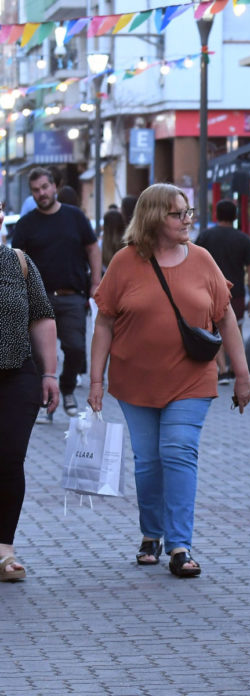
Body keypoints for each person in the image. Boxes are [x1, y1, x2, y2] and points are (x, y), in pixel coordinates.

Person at [87, 183, 250, 578]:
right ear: (153, 218)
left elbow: (226, 317)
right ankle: (152, 533)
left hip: (190, 379)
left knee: (178, 452)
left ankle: (180, 544)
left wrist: (243, 375)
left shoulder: (203, 260)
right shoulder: (125, 262)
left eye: (188, 212)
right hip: (135, 380)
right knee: (148, 461)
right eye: (177, 214)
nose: (186, 220)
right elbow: (104, 323)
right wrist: (95, 381)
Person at [12, 167, 101, 422]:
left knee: (76, 349)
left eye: (44, 187)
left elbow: (93, 248)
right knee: (39, 355)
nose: (41, 193)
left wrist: (96, 282)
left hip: (72, 295)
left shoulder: (75, 217)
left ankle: (68, 387)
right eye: (36, 190)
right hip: (38, 301)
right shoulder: (26, 224)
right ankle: (44, 402)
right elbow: (17, 261)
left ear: (54, 187)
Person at [0, 225, 59, 581]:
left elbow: (41, 316)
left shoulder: (17, 262)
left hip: (16, 374)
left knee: (9, 459)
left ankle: (3, 550)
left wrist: (49, 373)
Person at [196, 198, 250, 382]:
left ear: (216, 215)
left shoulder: (205, 236)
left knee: (213, 329)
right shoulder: (243, 239)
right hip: (236, 291)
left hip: (209, 291)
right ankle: (234, 368)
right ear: (235, 216)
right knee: (236, 328)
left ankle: (222, 369)